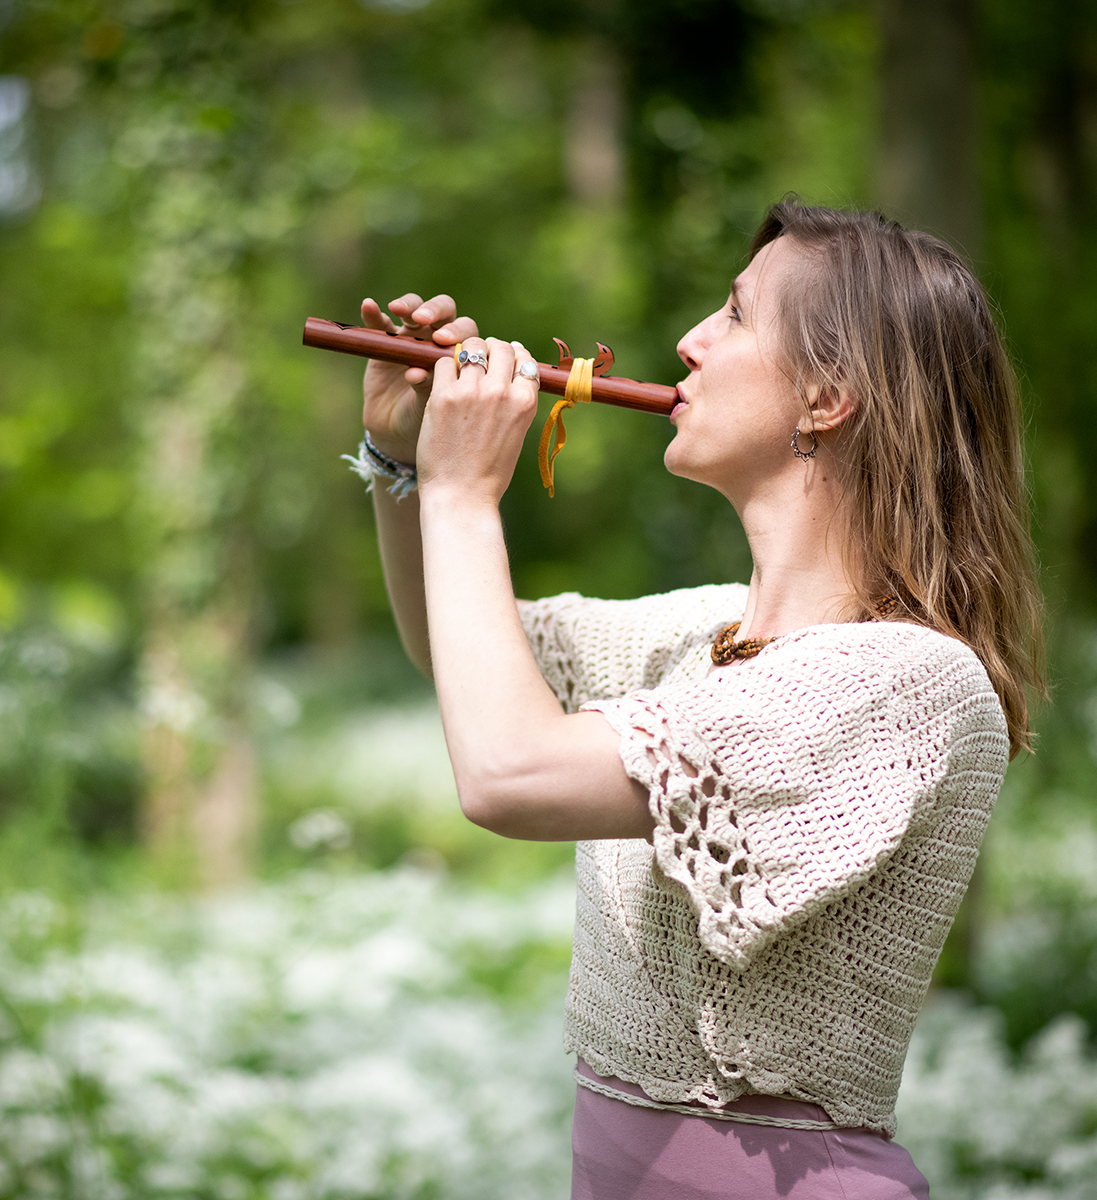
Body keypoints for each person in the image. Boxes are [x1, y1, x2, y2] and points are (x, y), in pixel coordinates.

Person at [346, 200, 1043, 1200]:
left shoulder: (906, 681)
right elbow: (451, 649)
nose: (689, 341)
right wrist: (403, 462)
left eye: (736, 313)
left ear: (829, 395)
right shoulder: (699, 631)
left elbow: (507, 774)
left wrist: (464, 495)